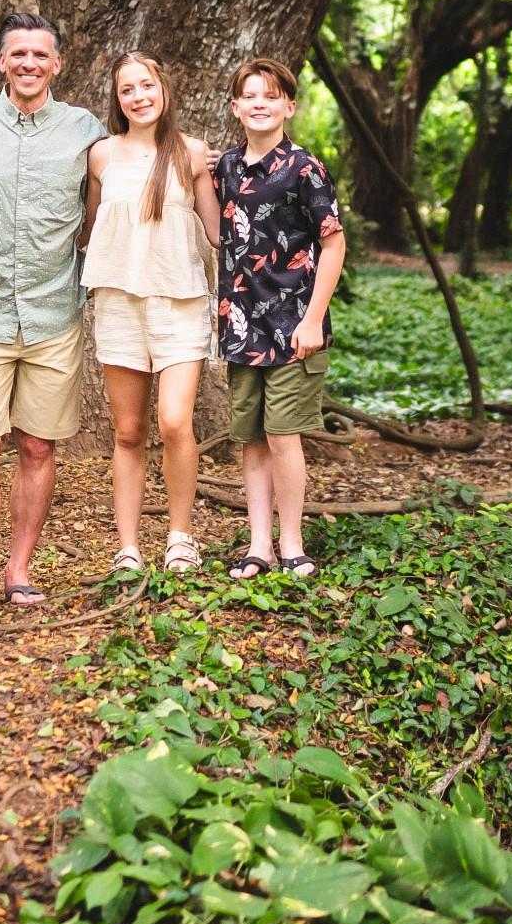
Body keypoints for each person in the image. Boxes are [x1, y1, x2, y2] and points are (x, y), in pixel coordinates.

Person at [0, 12, 103, 607]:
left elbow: (98, 208)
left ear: (57, 64)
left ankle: (20, 568)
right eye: (18, 54)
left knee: (39, 446)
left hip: (54, 313)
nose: (29, 64)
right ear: (1, 61)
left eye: (40, 55)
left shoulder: (84, 129)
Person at [83, 50, 220, 575]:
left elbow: (216, 231)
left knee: (174, 420)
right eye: (127, 90)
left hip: (179, 301)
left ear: (163, 89)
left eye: (146, 86)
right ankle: (129, 546)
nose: (138, 97)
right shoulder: (101, 156)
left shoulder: (190, 153)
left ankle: (182, 537)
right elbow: (91, 230)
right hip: (119, 303)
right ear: (117, 99)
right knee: (128, 430)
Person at [210, 59, 346, 579]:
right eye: (250, 96)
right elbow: (215, 227)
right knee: (251, 437)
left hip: (295, 328)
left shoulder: (304, 169)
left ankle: (292, 543)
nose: (260, 103)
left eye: (271, 95)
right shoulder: (225, 168)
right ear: (236, 107)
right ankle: (258, 544)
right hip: (242, 325)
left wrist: (313, 320)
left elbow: (334, 246)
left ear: (289, 106)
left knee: (284, 434)